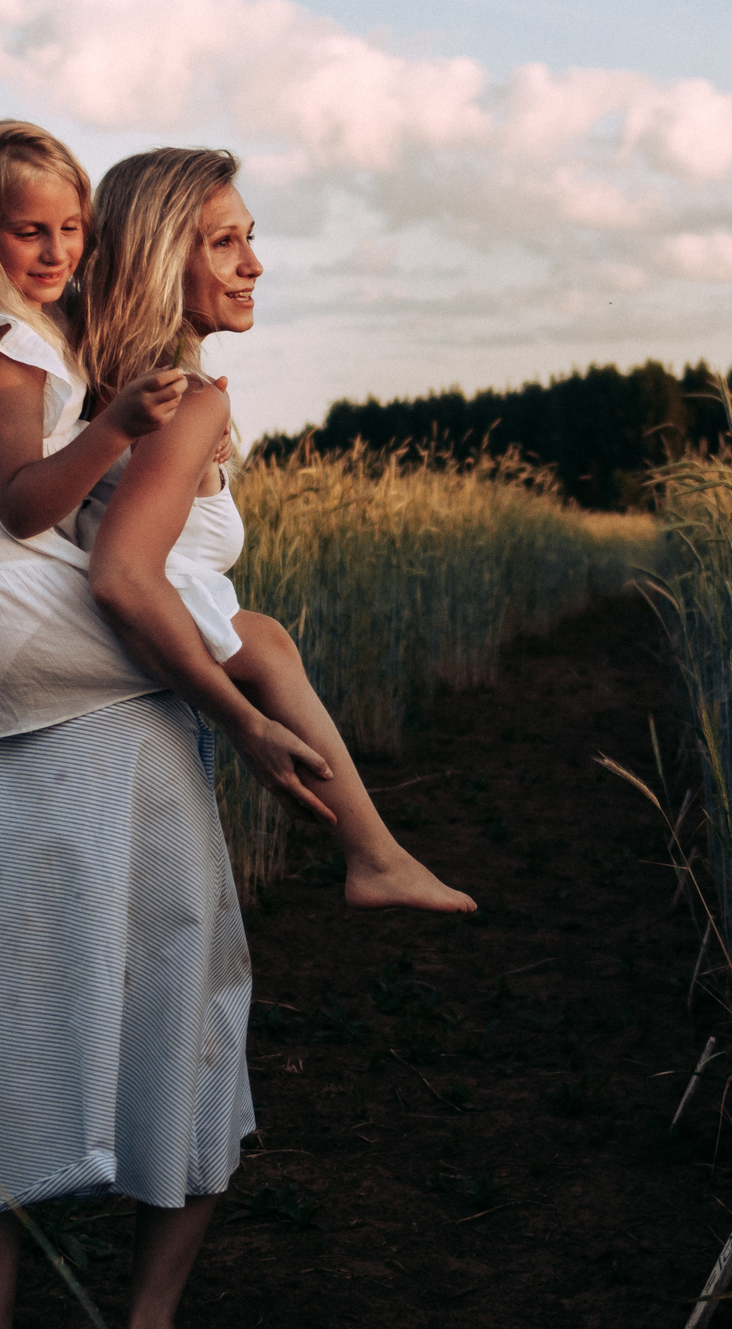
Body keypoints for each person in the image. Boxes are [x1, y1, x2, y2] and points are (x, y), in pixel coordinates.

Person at [0, 118, 331, 1329]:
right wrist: (232, 710)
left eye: (71, 230)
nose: (59, 251)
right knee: (193, 1000)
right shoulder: (30, 353)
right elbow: (81, 550)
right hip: (85, 729)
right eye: (30, 231)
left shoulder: (5, 344)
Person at [69, 144, 477, 917]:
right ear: (159, 256)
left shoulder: (116, 382)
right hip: (144, 638)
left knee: (266, 639)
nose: (255, 263)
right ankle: (375, 854)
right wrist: (247, 722)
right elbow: (124, 569)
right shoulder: (184, 401)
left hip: (137, 644)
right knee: (267, 642)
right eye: (224, 242)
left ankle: (377, 853)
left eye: (249, 237)